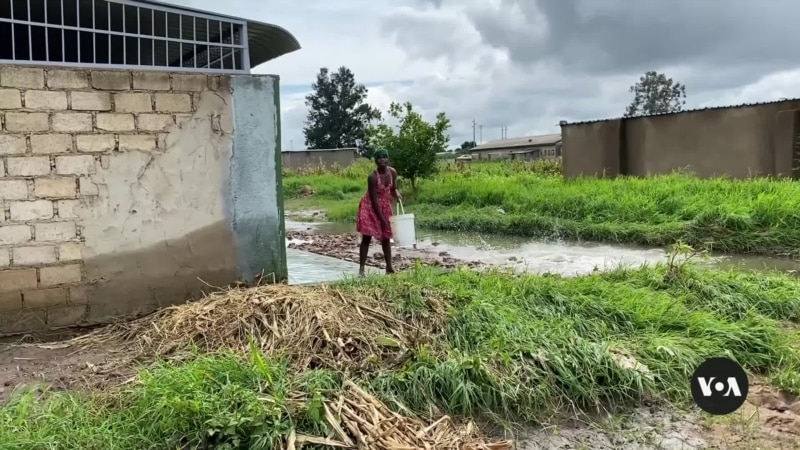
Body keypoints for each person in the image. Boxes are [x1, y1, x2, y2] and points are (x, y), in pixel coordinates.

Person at [356, 148, 401, 275]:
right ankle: (362, 269)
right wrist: (381, 219)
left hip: (385, 205)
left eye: (384, 157)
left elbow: (394, 189)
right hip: (370, 206)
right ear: (376, 161)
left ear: (388, 159)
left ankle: (389, 267)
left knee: (386, 237)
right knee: (367, 237)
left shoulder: (392, 172)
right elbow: (374, 200)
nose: (382, 160)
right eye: (379, 158)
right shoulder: (372, 177)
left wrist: (397, 194)